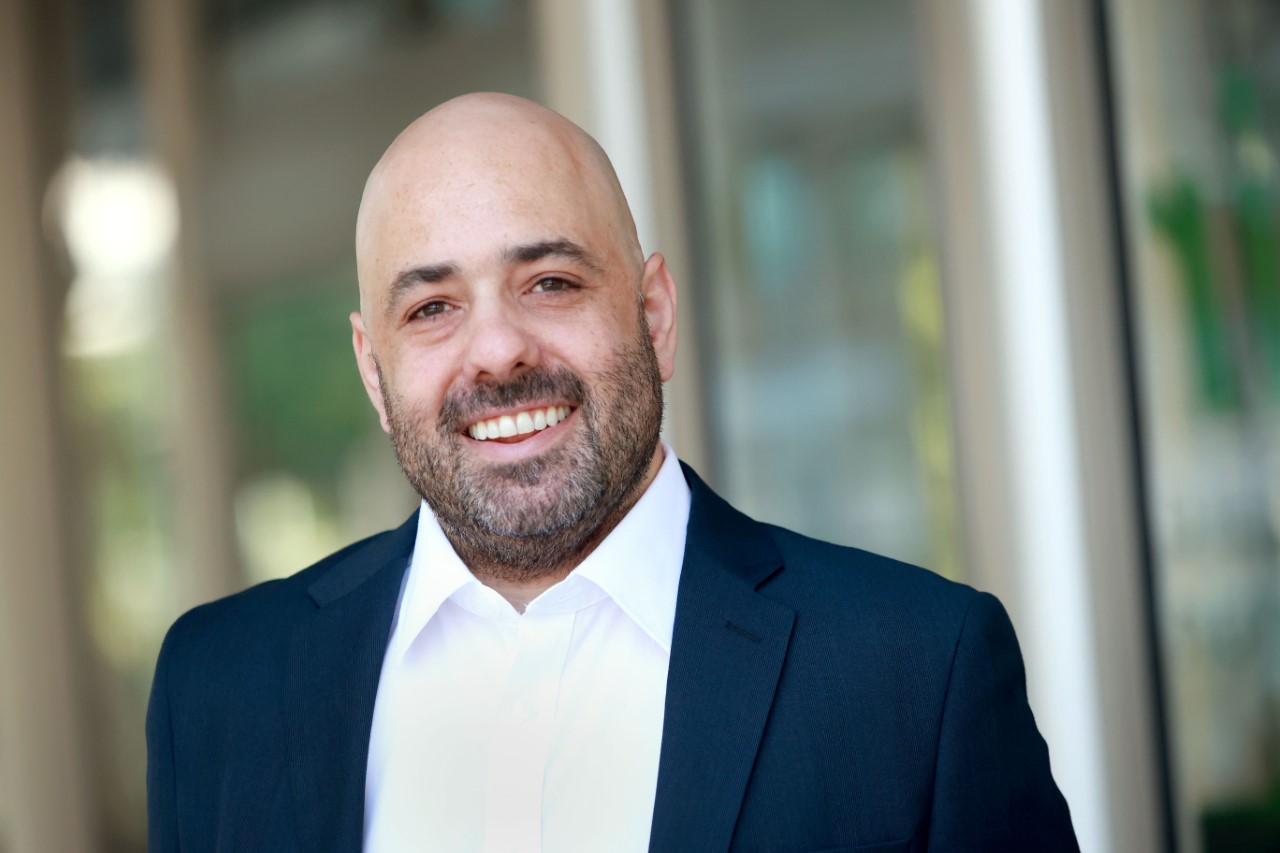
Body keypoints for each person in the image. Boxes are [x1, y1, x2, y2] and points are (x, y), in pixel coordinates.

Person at [146, 92, 1079, 853]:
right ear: (372, 373)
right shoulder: (217, 689)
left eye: (550, 282)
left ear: (655, 315)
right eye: (432, 307)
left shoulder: (916, 672)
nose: (498, 350)